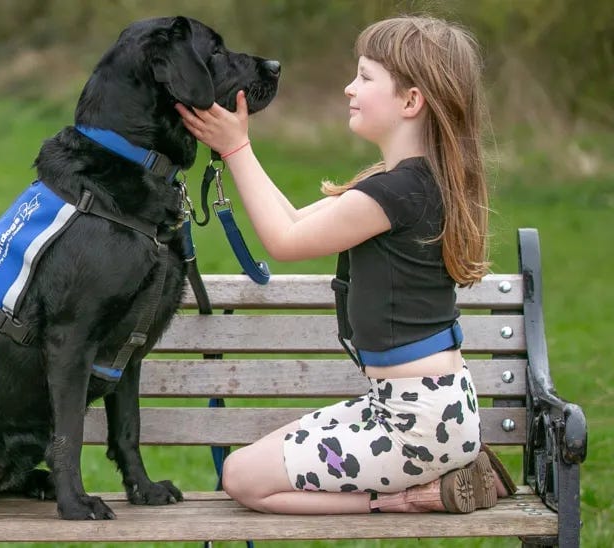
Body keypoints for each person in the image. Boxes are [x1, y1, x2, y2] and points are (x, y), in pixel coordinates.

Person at [175, 15, 514, 514]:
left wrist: (235, 147)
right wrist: (238, 147)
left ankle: (413, 499)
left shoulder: (394, 193)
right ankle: (443, 474)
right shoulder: (403, 183)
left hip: (415, 423)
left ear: (410, 101)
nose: (349, 87)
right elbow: (291, 218)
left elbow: (284, 240)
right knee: (248, 466)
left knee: (243, 479)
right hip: (414, 409)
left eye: (366, 77)